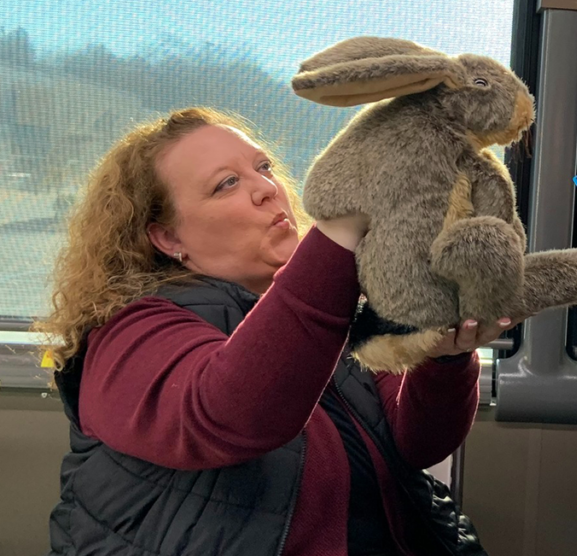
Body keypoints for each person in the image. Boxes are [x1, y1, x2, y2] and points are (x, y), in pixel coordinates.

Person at [38, 107, 507, 556]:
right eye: (226, 184)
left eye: (263, 167)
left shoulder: (339, 306)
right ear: (169, 238)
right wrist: (341, 227)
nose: (266, 188)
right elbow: (227, 414)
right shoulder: (129, 331)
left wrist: (442, 356)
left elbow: (415, 443)